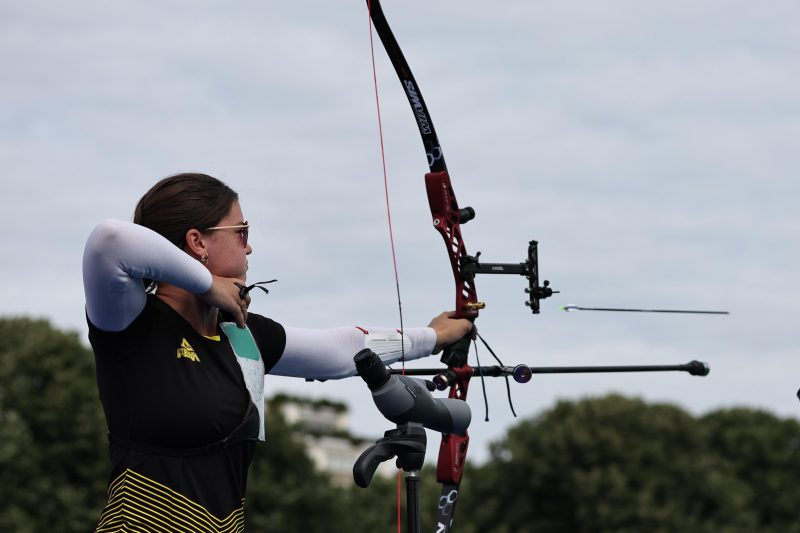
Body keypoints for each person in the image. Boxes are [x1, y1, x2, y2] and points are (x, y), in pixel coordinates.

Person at [82, 172, 472, 532]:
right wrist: (208, 285)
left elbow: (344, 350)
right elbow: (109, 240)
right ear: (197, 242)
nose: (249, 246)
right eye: (241, 231)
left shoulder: (243, 335)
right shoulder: (133, 322)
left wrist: (433, 336)